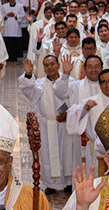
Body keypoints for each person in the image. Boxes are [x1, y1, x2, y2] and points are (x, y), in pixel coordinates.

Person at [20, 56, 75, 192]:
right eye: (46, 65)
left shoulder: (70, 81)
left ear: (58, 65)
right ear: (43, 68)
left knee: (67, 153)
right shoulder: (39, 84)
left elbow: (75, 99)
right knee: (48, 154)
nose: (50, 67)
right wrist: (28, 74)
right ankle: (51, 185)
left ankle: (68, 182)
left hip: (66, 124)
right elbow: (28, 91)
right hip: (47, 124)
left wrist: (69, 114)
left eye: (52, 64)